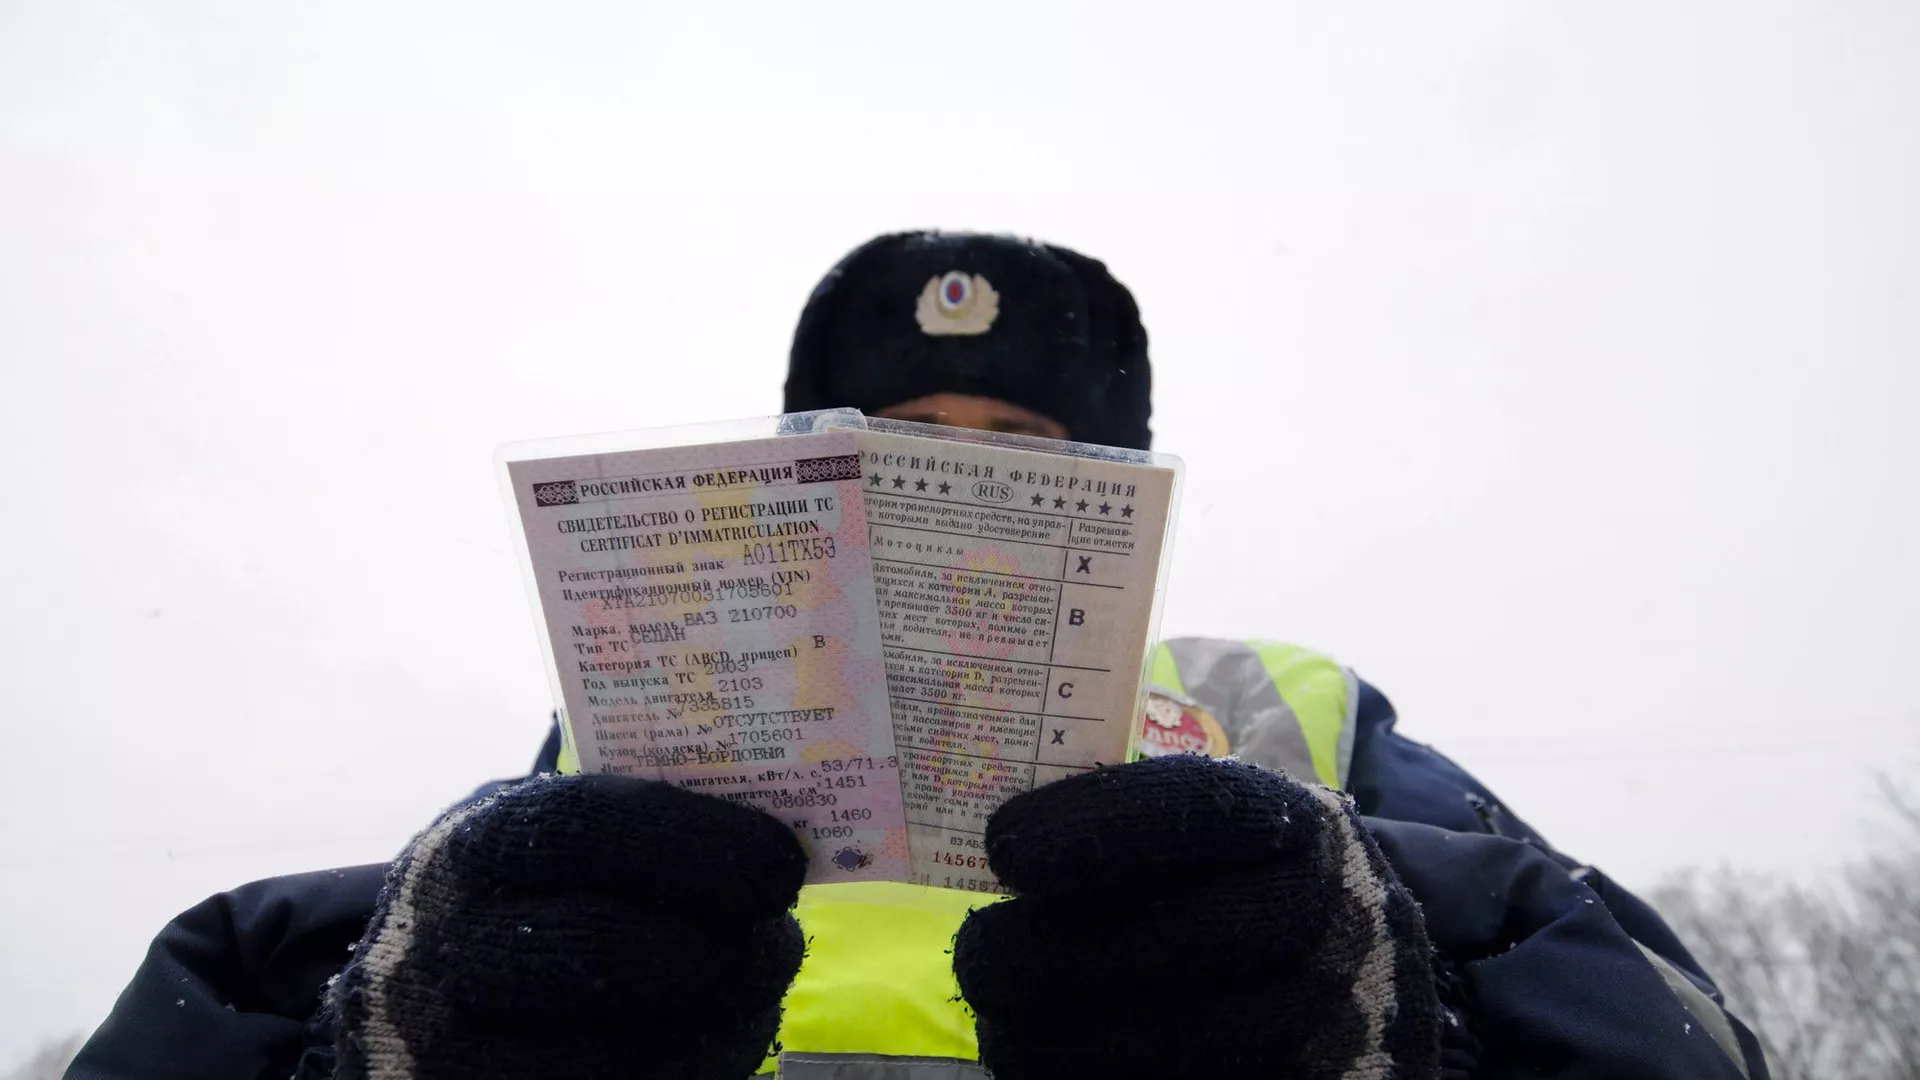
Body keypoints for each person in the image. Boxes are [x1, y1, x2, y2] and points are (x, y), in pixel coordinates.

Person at [67, 232, 1770, 1080]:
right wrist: (389, 1039)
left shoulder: (1284, 708)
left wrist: (1401, 1025)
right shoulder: (614, 745)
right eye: (899, 432)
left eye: (1013, 434)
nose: (952, 468)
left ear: (1111, 489)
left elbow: (1651, 1015)